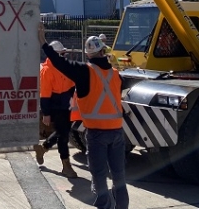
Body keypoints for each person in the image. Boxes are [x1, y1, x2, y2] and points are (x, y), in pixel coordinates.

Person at [37, 24, 128, 209]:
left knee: (99, 177)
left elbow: (60, 64)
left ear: (88, 54)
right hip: (117, 133)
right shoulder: (116, 74)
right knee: (119, 177)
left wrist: (44, 44)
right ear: (103, 51)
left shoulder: (85, 71)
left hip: (96, 134)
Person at [33, 40, 78, 178]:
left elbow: (72, 85)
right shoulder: (47, 71)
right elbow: (45, 94)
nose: (64, 56)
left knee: (62, 131)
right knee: (63, 136)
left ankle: (43, 148)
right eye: (62, 54)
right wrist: (46, 113)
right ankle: (66, 165)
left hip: (67, 104)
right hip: (55, 106)